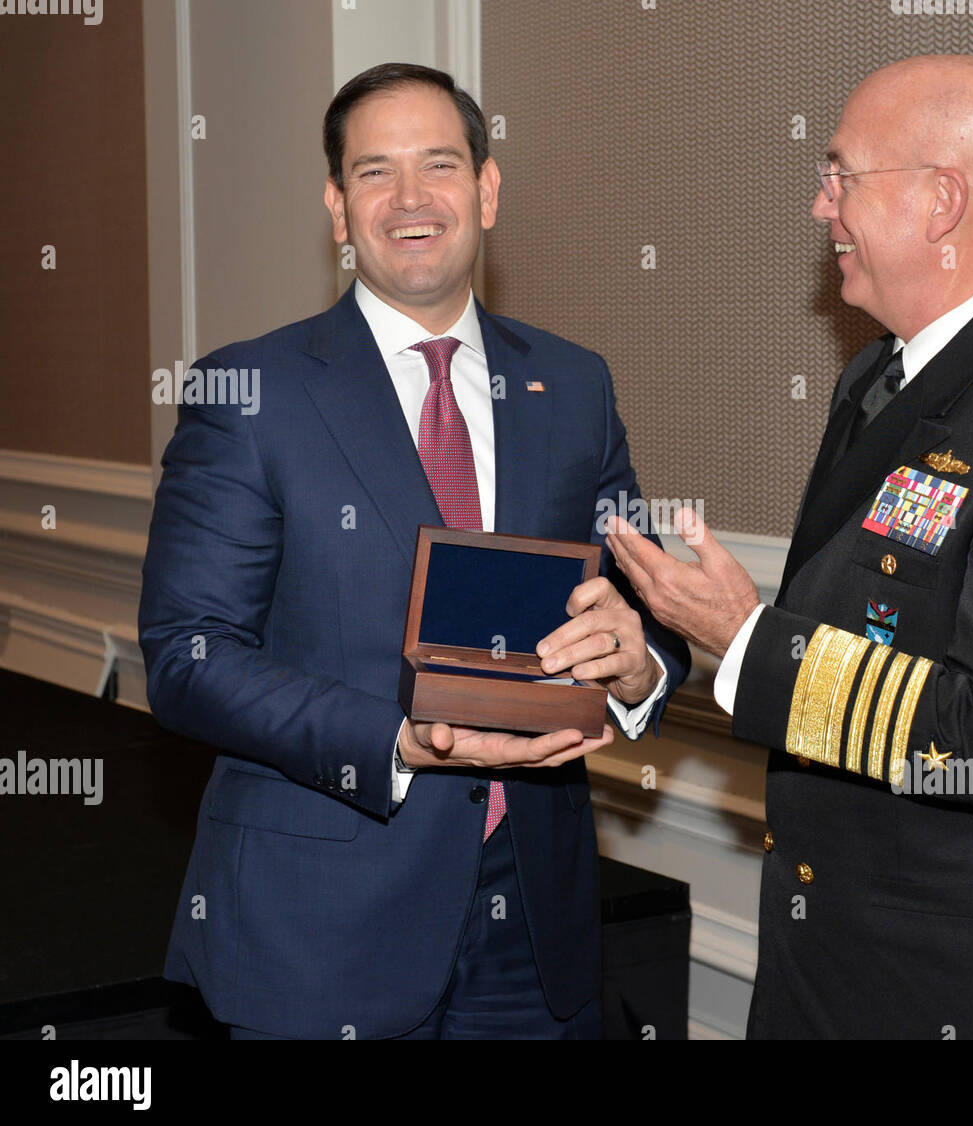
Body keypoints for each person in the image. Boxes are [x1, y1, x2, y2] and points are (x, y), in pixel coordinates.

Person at [606, 54, 973, 1039]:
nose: (822, 208)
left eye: (841, 176)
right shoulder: (875, 378)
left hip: (963, 989)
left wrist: (744, 639)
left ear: (942, 199)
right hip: (821, 965)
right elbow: (856, 639)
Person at [139, 63, 689, 1040]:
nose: (409, 200)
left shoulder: (571, 385)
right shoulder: (248, 393)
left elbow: (642, 602)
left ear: (485, 187)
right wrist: (396, 740)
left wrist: (640, 660)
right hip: (320, 932)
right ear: (337, 207)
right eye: (373, 172)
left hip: (534, 927)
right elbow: (189, 656)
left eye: (438, 165)